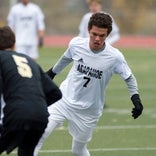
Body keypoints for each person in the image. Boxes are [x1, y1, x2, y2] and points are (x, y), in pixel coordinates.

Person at [34, 12, 143, 156]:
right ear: (88, 30)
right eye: (94, 34)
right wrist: (51, 74)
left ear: (108, 35)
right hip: (63, 100)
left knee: (78, 150)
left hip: (88, 111)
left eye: (102, 35)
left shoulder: (115, 57)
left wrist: (135, 98)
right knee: (38, 136)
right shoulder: (76, 44)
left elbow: (129, 77)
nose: (97, 39)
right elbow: (65, 59)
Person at [0, 26, 62, 156]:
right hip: (40, 116)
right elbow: (56, 93)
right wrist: (34, 106)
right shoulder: (29, 60)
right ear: (14, 44)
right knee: (26, 153)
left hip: (16, 114)